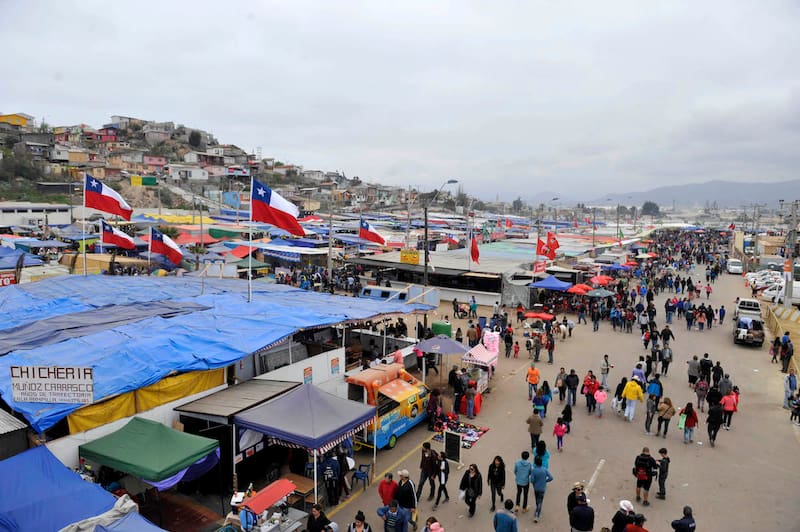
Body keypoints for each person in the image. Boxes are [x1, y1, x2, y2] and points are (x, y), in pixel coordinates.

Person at [530, 455, 553, 523]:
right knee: (540, 501)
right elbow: (551, 477)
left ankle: (537, 511)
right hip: (542, 488)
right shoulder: (544, 469)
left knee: (537, 500)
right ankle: (537, 513)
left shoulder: (534, 470)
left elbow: (532, 480)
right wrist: (546, 481)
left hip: (536, 488)